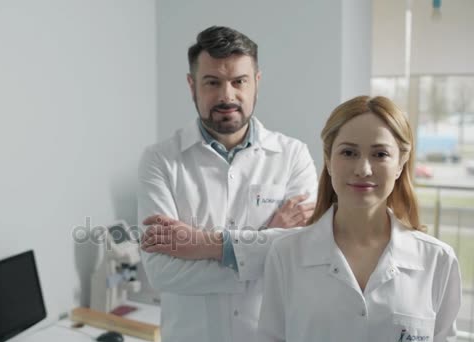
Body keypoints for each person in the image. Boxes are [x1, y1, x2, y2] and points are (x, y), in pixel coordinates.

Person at [137, 26, 318, 342]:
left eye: (239, 82)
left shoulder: (292, 156)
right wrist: (265, 242)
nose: (227, 95)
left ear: (256, 83)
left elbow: (303, 259)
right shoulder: (159, 160)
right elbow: (161, 272)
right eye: (212, 82)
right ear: (192, 85)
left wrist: (203, 246)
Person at [257, 96, 462, 342]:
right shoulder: (286, 254)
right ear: (329, 160)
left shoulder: (437, 261)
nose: (363, 169)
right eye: (349, 152)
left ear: (400, 164)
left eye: (380, 154)